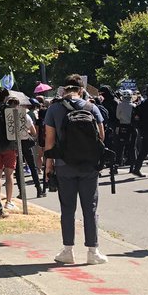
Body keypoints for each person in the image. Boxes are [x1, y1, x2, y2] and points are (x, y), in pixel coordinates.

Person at [43, 75, 107, 265]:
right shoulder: (91, 108)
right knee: (90, 208)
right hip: (89, 166)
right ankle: (92, 251)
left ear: (64, 90)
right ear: (81, 89)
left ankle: (67, 250)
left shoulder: (54, 109)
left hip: (64, 165)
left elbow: (49, 140)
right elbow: (101, 136)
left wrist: (49, 165)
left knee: (67, 209)